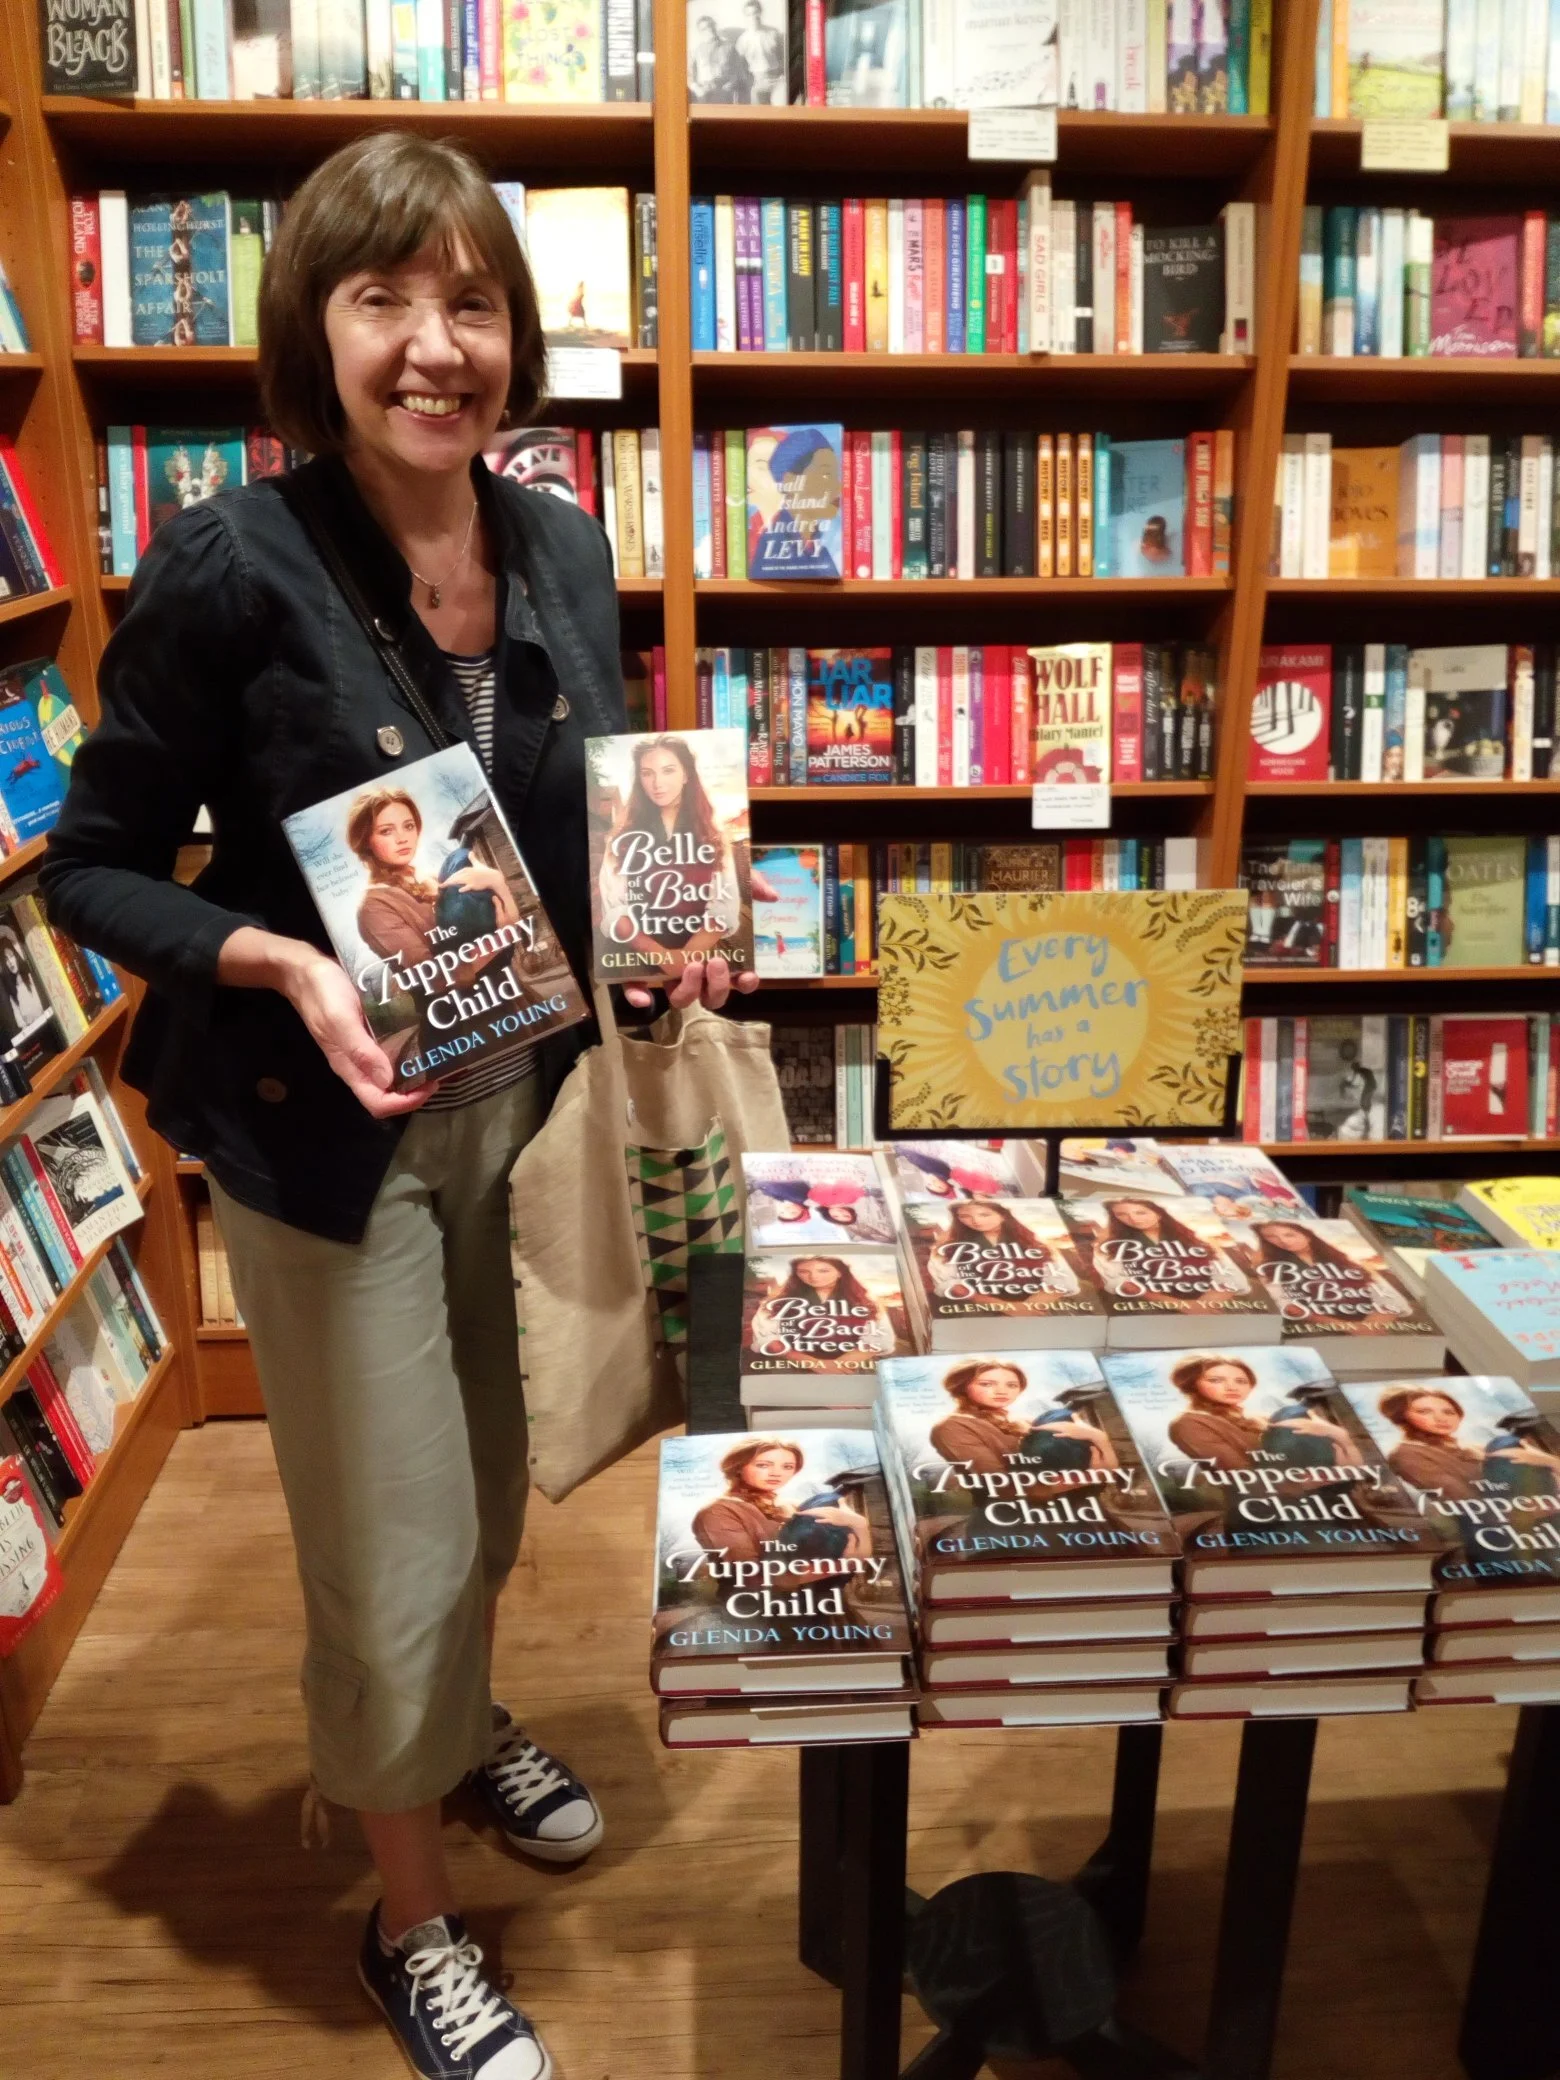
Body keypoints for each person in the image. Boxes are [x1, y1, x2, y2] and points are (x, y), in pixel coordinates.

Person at [41, 131, 758, 2080]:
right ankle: (410, 1914)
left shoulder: (560, 545)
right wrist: (269, 956)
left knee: (496, 1479)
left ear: (510, 335)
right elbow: (87, 863)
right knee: (394, 1532)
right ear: (317, 328)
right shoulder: (227, 561)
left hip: (515, 1116)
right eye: (386, 298)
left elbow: (601, 814)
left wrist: (670, 933)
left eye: (470, 301)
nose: (435, 343)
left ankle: (452, 1725)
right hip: (321, 1137)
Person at [347, 783, 520, 1074]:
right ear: (366, 841)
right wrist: (502, 937)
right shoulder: (373, 907)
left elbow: (500, 919)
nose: (403, 838)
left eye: (408, 826)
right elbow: (440, 978)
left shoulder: (435, 878)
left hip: (507, 1002)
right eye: (386, 831)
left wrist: (497, 883)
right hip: (460, 1031)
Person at [596, 733, 745, 971]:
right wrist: (660, 955)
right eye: (647, 773)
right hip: (636, 955)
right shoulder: (622, 837)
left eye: (668, 770)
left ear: (686, 774)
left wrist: (686, 957)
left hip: (700, 951)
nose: (657, 783)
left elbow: (724, 906)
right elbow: (613, 909)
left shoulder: (713, 834)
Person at [690, 1438, 869, 1564]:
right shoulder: (719, 1511)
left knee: (825, 1500)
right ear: (737, 1467)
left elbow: (856, 1556)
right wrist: (844, 1565)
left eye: (787, 1467)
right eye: (763, 1465)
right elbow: (750, 1577)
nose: (777, 1473)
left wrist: (860, 1525)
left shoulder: (795, 1505)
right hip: (763, 1610)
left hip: (826, 1606)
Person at [1167, 1354, 1358, 1473]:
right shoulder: (1189, 1424)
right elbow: (1242, 1477)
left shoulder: (1261, 1418)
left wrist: (1338, 1435)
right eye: (1216, 1380)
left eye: (1241, 1381)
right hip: (1267, 1511)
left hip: (1325, 1499)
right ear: (1192, 1385)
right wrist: (1332, 1474)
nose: (1232, 1387)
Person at [929, 1360, 1115, 1477]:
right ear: (962, 1388)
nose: (1002, 1391)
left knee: (1058, 1417)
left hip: (1082, 1510)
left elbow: (1107, 1464)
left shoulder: (1025, 1420)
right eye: (987, 1384)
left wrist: (1100, 1438)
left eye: (1012, 1385)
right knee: (1057, 1417)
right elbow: (1002, 1487)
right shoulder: (952, 1426)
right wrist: (1091, 1476)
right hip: (1016, 1520)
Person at [1245, 1218, 1411, 1317]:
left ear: (1307, 1235)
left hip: (1371, 1323)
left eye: (1289, 1234)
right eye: (1271, 1237)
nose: (1283, 1241)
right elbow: (1284, 1303)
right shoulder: (1271, 1268)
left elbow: (1389, 1297)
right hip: (1320, 1327)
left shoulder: (1345, 1259)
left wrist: (1375, 1322)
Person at [749, 1254, 899, 1354]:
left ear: (841, 1272)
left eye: (824, 1270)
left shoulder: (866, 1299)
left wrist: (843, 1364)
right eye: (804, 1271)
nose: (813, 1277)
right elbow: (765, 1338)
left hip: (853, 1367)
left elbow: (882, 1339)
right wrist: (810, 1363)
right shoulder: (776, 1302)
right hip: (793, 1366)